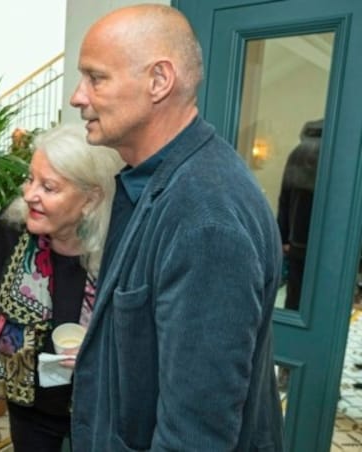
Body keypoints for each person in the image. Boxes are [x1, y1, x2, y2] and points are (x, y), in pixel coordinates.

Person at [67, 4, 283, 450]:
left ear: (159, 81)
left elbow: (194, 435)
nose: (77, 97)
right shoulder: (156, 181)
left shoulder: (205, 217)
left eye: (96, 77)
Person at [0, 124, 122, 451]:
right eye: (31, 179)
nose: (29, 195)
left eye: (49, 187)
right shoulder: (8, 230)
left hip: (97, 409)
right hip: (28, 407)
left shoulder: (120, 249)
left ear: (91, 198)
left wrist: (98, 353)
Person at [278, 119, 322, 311]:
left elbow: (284, 199)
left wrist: (283, 236)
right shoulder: (336, 156)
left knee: (294, 297)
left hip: (297, 239)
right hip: (326, 244)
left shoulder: (297, 154)